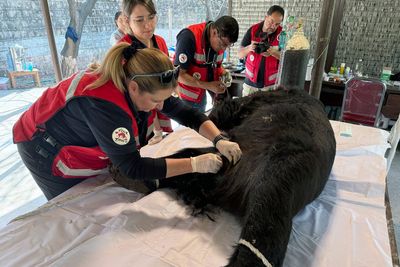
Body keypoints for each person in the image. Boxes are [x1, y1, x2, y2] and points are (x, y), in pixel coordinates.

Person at [13, 42, 242, 200]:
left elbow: (187, 113)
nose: (159, 107)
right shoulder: (105, 107)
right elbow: (133, 166)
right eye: (155, 101)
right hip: (42, 146)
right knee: (72, 207)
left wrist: (219, 139)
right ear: (134, 88)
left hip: (81, 133)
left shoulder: (143, 83)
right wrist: (193, 164)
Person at [119, 0, 172, 145]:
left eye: (151, 17)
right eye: (139, 20)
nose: (148, 25)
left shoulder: (159, 42)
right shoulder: (124, 51)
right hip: (137, 117)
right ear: (126, 20)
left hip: (159, 106)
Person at [174, 16, 239, 112]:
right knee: (192, 124)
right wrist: (208, 85)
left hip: (202, 94)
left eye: (228, 46)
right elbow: (179, 75)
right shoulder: (188, 37)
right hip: (187, 97)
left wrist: (224, 72)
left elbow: (216, 65)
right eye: (223, 44)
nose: (224, 49)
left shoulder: (218, 41)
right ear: (214, 32)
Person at [238, 5, 284, 96]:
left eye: (277, 24)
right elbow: (239, 54)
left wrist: (273, 52)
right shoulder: (253, 30)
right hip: (250, 84)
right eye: (271, 22)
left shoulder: (282, 35)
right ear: (266, 17)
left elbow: (286, 59)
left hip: (270, 86)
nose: (273, 26)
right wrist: (249, 48)